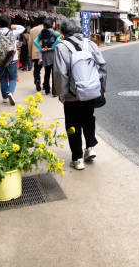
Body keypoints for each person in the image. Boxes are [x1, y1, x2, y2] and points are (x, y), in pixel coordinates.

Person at [54, 19, 107, 170]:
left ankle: (77, 158)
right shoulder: (90, 44)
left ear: (63, 33)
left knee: (73, 123)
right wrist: (102, 89)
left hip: (72, 94)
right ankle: (90, 148)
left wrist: (62, 93)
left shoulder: (61, 47)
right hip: (91, 91)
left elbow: (60, 73)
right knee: (88, 119)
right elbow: (102, 67)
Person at [0, 15, 25, 105]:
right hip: (12, 58)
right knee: (13, 77)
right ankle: (10, 92)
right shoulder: (14, 32)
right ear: (8, 23)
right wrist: (14, 26)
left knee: (3, 77)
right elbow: (22, 28)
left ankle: (4, 97)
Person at [33, 19, 60, 96]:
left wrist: (41, 48)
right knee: (54, 73)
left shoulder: (42, 32)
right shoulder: (55, 33)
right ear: (52, 25)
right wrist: (52, 47)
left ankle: (47, 90)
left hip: (45, 54)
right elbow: (58, 40)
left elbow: (35, 41)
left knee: (47, 72)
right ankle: (54, 92)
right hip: (53, 54)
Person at [29, 15, 45, 91]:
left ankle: (37, 80)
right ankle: (46, 84)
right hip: (46, 52)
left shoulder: (32, 30)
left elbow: (30, 43)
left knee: (36, 68)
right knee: (48, 69)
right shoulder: (47, 29)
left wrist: (30, 54)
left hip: (36, 53)